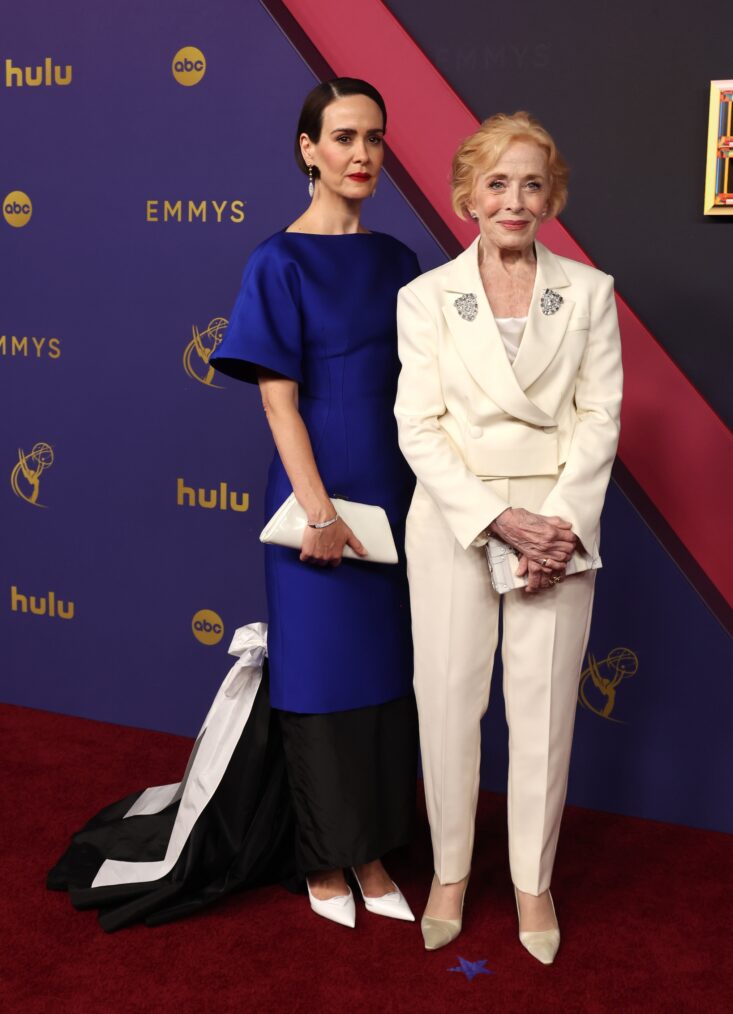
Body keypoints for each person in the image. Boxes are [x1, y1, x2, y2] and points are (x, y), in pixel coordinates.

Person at [47, 79, 419, 932]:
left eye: (374, 137)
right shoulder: (276, 261)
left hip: (397, 497)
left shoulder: (401, 262)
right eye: (343, 137)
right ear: (308, 150)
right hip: (315, 501)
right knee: (323, 679)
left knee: (383, 679)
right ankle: (326, 859)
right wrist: (319, 512)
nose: (362, 154)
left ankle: (373, 851)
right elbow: (278, 404)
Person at [394, 111, 623, 962]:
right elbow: (416, 427)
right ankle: (449, 874)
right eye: (497, 183)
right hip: (458, 523)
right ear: (466, 197)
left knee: (543, 716)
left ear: (550, 195)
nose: (514, 200)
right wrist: (499, 521)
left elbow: (599, 417)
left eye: (531, 183)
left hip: (561, 532)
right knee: (449, 708)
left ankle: (533, 884)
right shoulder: (424, 299)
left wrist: (552, 527)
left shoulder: (590, 292)